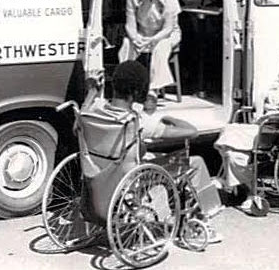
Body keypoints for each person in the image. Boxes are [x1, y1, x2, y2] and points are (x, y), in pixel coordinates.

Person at [89, 60, 222, 242]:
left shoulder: (93, 113)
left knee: (156, 158)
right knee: (194, 162)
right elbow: (192, 132)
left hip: (102, 174)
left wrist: (92, 92)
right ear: (137, 92)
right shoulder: (139, 122)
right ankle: (199, 222)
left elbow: (78, 123)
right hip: (131, 178)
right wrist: (168, 117)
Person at [213, 43, 279, 214]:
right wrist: (261, 111)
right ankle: (250, 191)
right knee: (232, 153)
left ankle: (233, 183)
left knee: (229, 132)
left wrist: (270, 116)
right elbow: (262, 95)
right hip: (267, 125)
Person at [118, 0, 182, 113]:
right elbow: (130, 24)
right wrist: (135, 38)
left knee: (161, 48)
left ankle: (153, 92)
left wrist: (151, 40)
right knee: (127, 45)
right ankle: (126, 90)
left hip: (165, 35)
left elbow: (168, 28)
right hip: (142, 32)